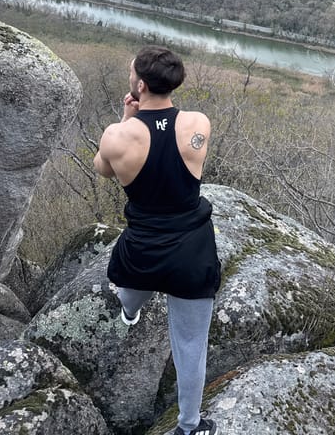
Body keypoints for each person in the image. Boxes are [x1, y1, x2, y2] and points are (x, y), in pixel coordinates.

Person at [94, 45, 220, 435]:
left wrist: (126, 118)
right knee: (190, 346)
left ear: (141, 85)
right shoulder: (198, 124)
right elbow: (175, 147)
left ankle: (129, 313)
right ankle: (188, 427)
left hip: (143, 249)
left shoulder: (118, 137)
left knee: (131, 290)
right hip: (191, 252)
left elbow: (103, 170)